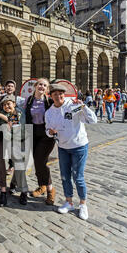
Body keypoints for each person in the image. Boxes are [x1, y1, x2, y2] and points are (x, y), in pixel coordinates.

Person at [45, 83, 98, 220]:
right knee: (65, 176)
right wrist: (50, 132)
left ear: (64, 94)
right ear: (51, 96)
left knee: (78, 177)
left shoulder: (72, 107)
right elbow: (48, 129)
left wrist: (83, 106)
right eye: (55, 94)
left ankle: (82, 204)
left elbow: (93, 120)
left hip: (79, 146)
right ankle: (68, 201)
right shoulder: (49, 112)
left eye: (60, 94)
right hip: (63, 147)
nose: (58, 96)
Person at [25, 78, 56, 205]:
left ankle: (50, 189)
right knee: (37, 162)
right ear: (35, 86)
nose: (42, 86)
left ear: (47, 89)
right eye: (40, 84)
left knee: (41, 161)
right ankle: (41, 186)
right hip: (33, 133)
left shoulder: (49, 101)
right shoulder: (29, 100)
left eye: (44, 85)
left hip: (46, 134)